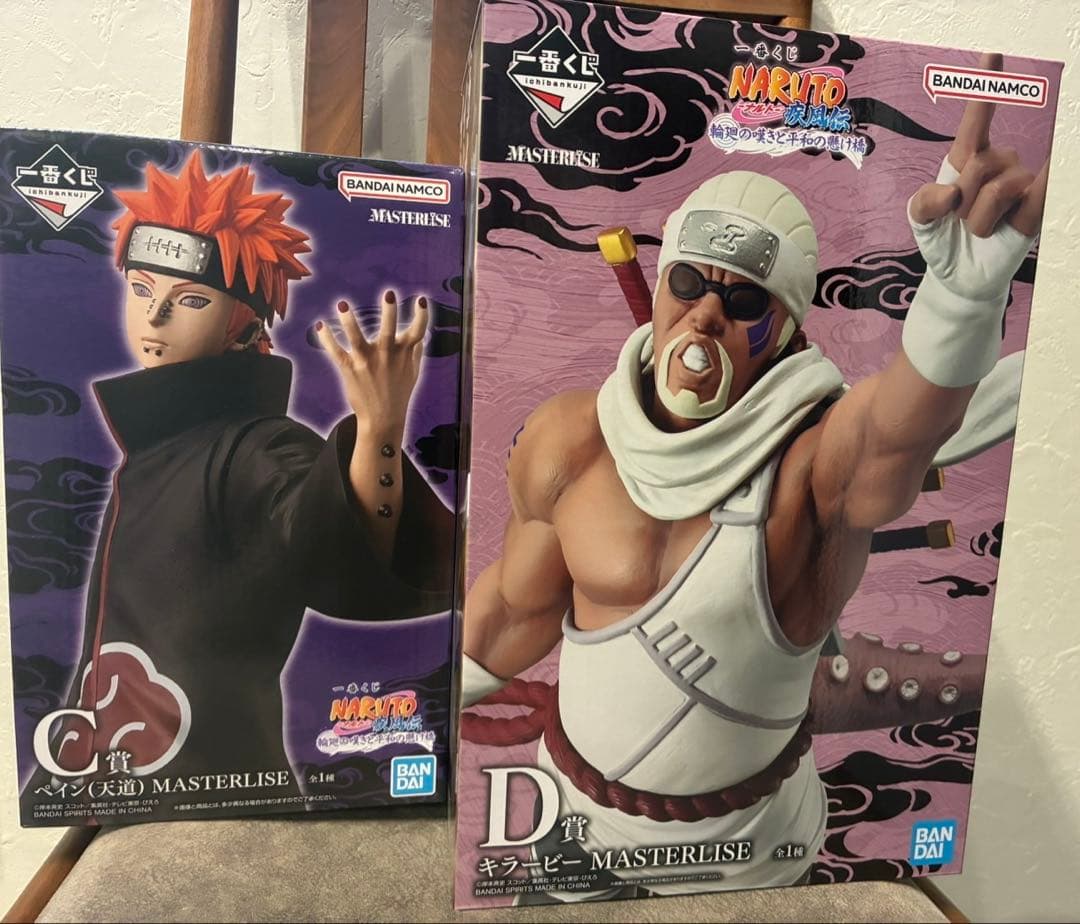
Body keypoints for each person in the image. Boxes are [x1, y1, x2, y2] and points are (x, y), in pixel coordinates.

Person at [461, 60, 1046, 895]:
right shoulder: (569, 441)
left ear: (785, 335)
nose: (706, 315)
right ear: (660, 288)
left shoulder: (809, 469)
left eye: (744, 304)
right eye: (690, 284)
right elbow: (512, 615)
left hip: (751, 861)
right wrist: (409, 709)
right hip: (572, 833)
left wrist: (958, 306)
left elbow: (895, 432)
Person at [28, 152, 453, 817]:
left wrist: (378, 430)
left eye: (191, 299)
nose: (154, 316)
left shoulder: (257, 445)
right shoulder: (156, 446)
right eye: (141, 288)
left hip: (217, 794)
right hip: (113, 782)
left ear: (244, 323)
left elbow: (332, 551)